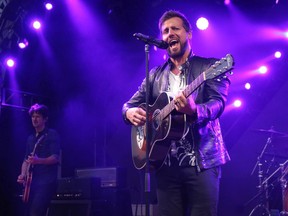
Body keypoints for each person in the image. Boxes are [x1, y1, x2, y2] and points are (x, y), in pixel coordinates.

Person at [122, 10, 231, 216]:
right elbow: (128, 104)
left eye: (175, 29)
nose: (169, 33)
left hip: (202, 162)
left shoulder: (209, 67)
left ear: (189, 34)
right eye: (165, 31)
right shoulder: (154, 76)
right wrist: (129, 112)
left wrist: (194, 110)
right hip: (165, 163)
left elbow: (218, 104)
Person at [17, 103, 61, 216]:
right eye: (33, 116)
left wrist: (38, 161)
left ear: (45, 119)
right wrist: (22, 174)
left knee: (35, 213)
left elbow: (55, 158)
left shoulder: (51, 134)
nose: (34, 119)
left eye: (38, 116)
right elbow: (26, 160)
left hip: (46, 182)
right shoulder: (30, 138)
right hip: (31, 183)